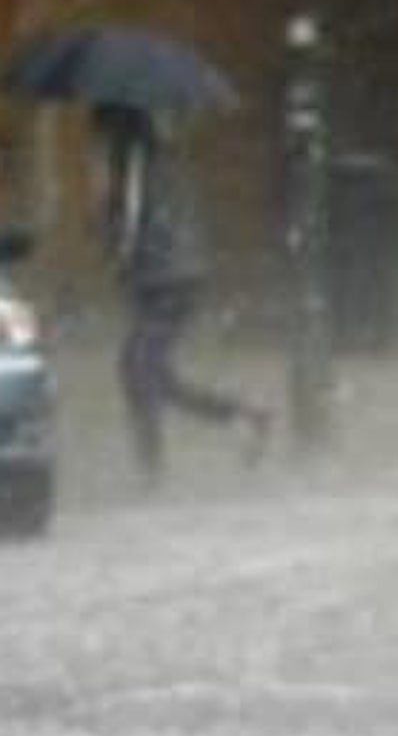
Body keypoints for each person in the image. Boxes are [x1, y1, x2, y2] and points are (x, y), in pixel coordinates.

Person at [91, 103, 271, 483]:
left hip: (168, 278)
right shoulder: (146, 153)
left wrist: (114, 238)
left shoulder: (136, 158)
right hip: (166, 275)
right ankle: (245, 417)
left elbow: (131, 222)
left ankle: (151, 469)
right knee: (150, 372)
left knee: (138, 368)